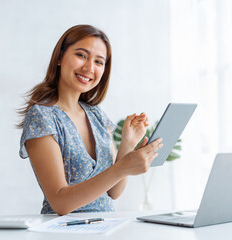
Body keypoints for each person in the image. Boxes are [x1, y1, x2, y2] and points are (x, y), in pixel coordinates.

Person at [18, 25, 163, 215]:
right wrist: (122, 168)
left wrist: (128, 143)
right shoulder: (42, 117)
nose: (89, 68)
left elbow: (113, 192)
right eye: (81, 55)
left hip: (106, 226)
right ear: (60, 57)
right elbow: (60, 203)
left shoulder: (96, 115)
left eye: (99, 62)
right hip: (63, 230)